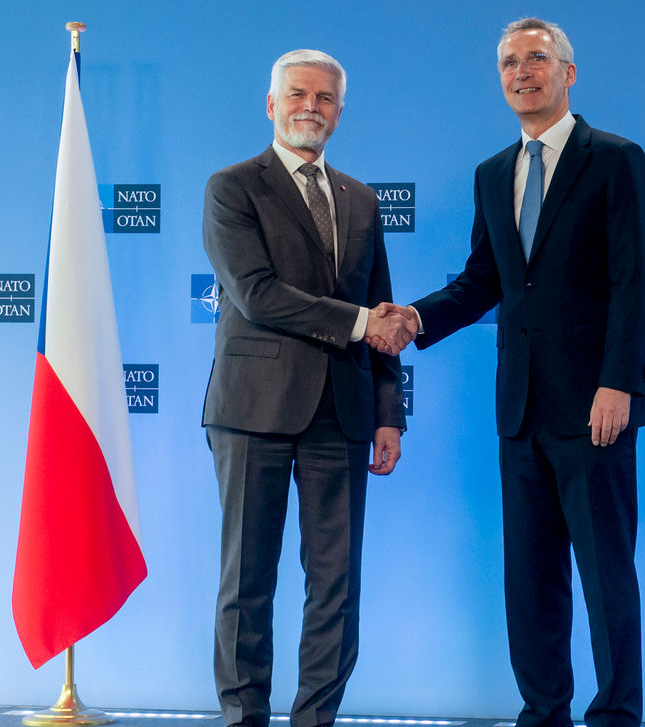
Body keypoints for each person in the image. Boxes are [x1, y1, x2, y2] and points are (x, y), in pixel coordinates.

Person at [379, 17, 645, 727]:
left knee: (605, 576)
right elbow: (484, 280)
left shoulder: (616, 158)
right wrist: (415, 318)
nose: (521, 72)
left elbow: (636, 280)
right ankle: (543, 711)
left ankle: (616, 715)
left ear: (569, 72)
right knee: (530, 581)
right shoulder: (491, 173)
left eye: (536, 58)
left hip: (595, 407)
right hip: (520, 409)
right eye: (509, 62)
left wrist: (619, 382)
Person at [201, 49, 412, 727]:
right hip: (252, 409)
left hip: (343, 411)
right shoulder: (232, 187)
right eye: (297, 94)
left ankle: (316, 719)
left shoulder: (362, 199)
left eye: (324, 98)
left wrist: (388, 412)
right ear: (272, 104)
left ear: (339, 113)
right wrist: (362, 323)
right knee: (246, 580)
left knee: (336, 584)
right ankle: (244, 718)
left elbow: (380, 303)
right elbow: (257, 294)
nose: (310, 108)